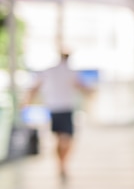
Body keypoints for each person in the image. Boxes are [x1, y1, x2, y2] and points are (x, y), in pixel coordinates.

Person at [25, 52, 90, 181]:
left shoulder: (51, 71)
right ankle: (62, 165)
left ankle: (61, 165)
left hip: (56, 109)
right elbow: (82, 87)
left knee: (62, 139)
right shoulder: (69, 71)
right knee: (65, 139)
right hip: (64, 109)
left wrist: (26, 101)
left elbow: (35, 87)